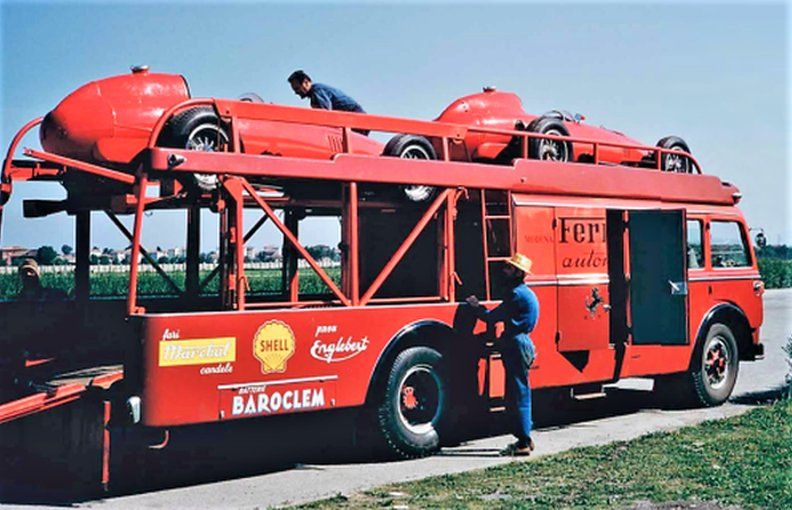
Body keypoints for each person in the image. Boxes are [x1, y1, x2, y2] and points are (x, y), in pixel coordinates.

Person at [466, 253, 539, 456]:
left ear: (517, 272)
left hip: (515, 344)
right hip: (522, 342)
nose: (504, 270)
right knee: (520, 389)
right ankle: (525, 437)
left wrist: (476, 307)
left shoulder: (515, 294)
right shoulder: (526, 293)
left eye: (509, 268)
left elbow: (492, 317)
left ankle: (523, 441)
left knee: (517, 392)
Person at [287, 70, 369, 135]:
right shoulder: (315, 94)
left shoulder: (317, 91)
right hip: (352, 119)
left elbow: (326, 115)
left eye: (297, 88)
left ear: (306, 82)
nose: (296, 92)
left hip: (355, 118)